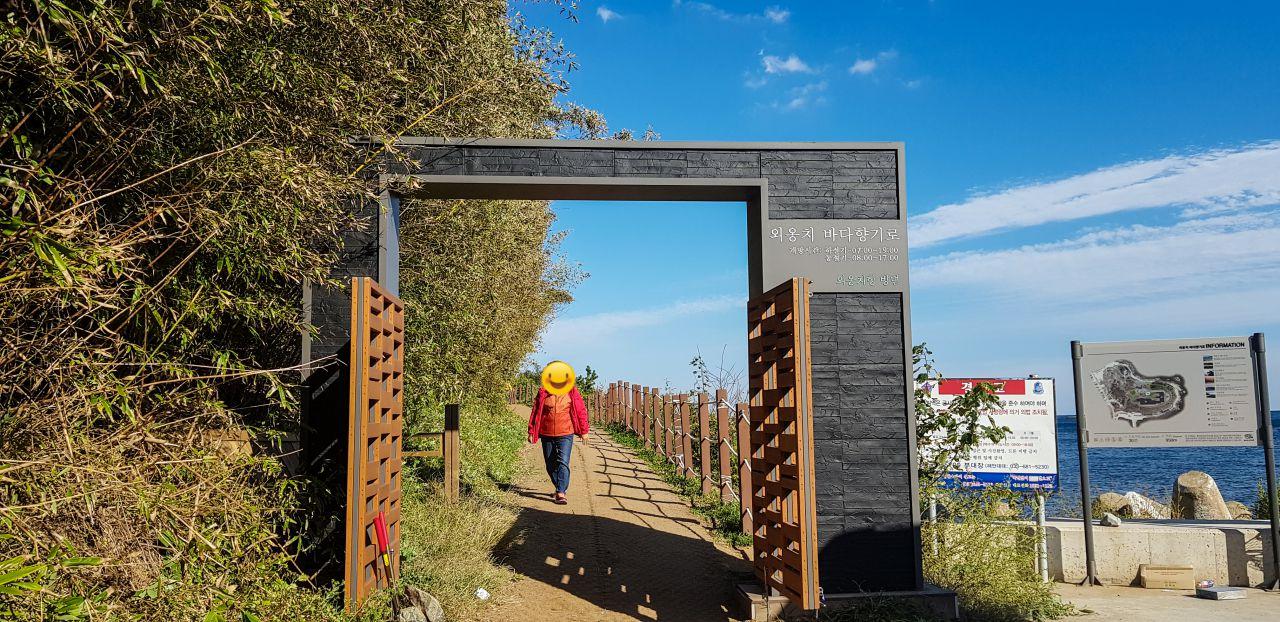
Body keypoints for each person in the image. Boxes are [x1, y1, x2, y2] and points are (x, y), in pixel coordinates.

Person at [527, 368, 589, 505]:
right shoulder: (543, 392)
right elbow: (536, 412)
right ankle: (559, 486)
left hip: (566, 432)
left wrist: (584, 431)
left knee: (563, 462)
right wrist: (531, 431)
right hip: (546, 432)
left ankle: (561, 492)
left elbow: (581, 411)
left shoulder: (572, 392)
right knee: (550, 465)